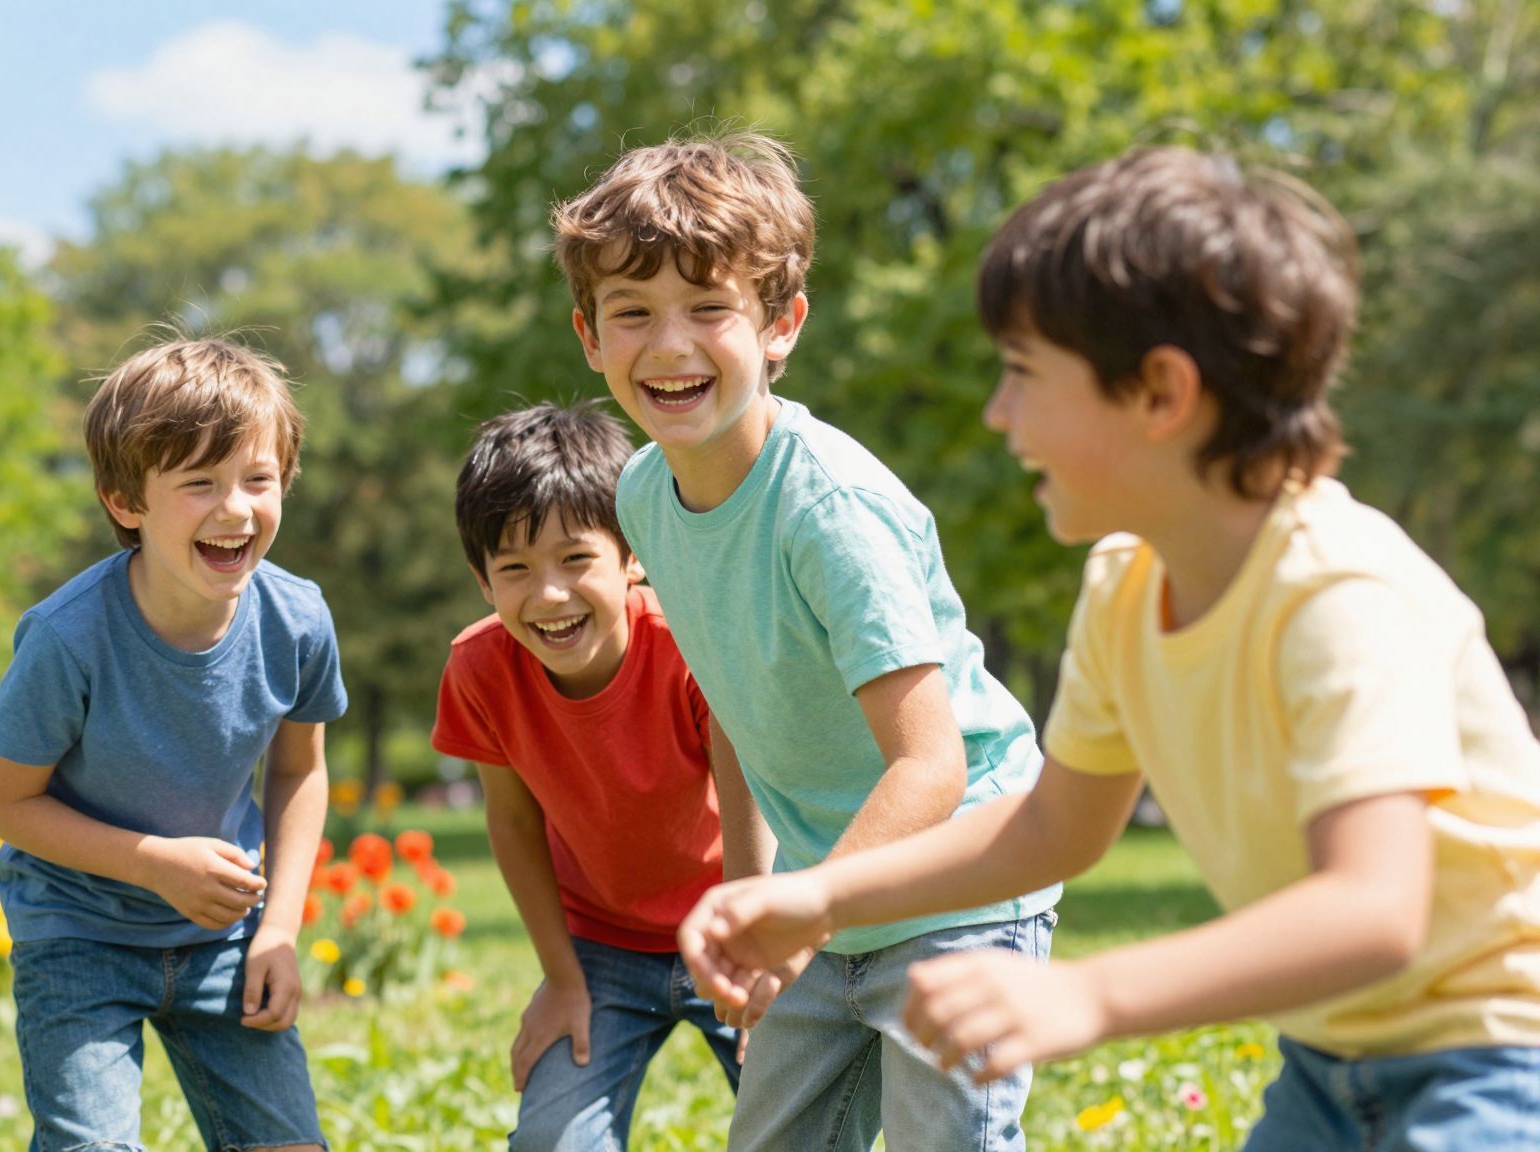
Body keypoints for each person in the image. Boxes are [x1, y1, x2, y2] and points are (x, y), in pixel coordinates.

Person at [679, 147, 1540, 1150]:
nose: (997, 413)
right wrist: (819, 895)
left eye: (1022, 373)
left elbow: (1372, 911)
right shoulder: (1127, 585)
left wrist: (1092, 994)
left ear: (1159, 393)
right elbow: (1053, 825)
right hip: (1329, 1059)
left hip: (1497, 1058)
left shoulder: (1337, 594)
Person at [556, 131, 1059, 1151]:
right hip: (827, 897)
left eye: (709, 309)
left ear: (780, 324)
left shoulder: (827, 508)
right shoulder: (644, 495)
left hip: (959, 881)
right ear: (589, 337)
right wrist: (759, 896)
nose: (669, 345)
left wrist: (803, 908)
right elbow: (733, 708)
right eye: (632, 312)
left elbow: (929, 763)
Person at [0, 336, 343, 1152]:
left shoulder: (298, 621)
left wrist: (279, 929)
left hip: (224, 936)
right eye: (199, 483)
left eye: (258, 479)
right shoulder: (67, 639)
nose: (236, 509)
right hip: (78, 932)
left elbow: (300, 771)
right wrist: (154, 864)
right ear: (125, 501)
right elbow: (3, 803)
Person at [432, 400, 773, 1150]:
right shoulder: (479, 668)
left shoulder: (690, 642)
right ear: (483, 581)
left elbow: (753, 791)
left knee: (799, 1125)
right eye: (514, 569)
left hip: (730, 926)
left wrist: (758, 950)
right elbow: (511, 821)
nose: (549, 594)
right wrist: (561, 979)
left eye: (576, 558)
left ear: (633, 553)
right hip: (602, 949)